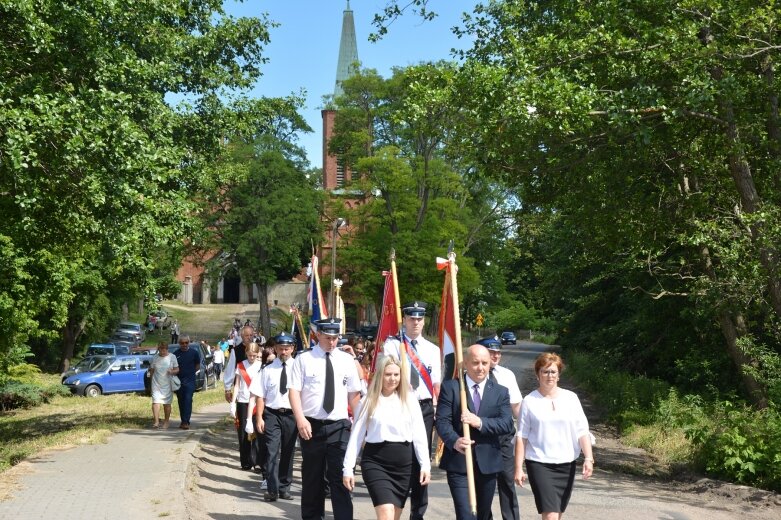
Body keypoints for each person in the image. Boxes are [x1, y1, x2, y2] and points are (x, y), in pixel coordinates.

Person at [289, 318, 362, 520]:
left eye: (335, 338)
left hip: (339, 427)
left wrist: (360, 425)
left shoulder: (347, 361)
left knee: (341, 476)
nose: (332, 342)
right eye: (328, 338)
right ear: (318, 335)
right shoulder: (304, 359)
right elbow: (294, 391)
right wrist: (300, 419)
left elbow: (354, 395)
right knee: (313, 478)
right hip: (311, 426)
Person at [343, 355, 431, 520]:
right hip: (376, 462)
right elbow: (356, 437)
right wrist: (348, 469)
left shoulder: (410, 399)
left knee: (394, 516)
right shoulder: (367, 401)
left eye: (396, 375)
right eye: (388, 374)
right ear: (380, 375)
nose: (392, 379)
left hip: (404, 465)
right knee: (386, 514)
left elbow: (419, 434)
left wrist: (425, 465)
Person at [436, 344, 515, 520]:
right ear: (465, 363)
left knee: (482, 515)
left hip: (488, 464)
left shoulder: (500, 392)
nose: (480, 368)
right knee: (466, 515)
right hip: (459, 463)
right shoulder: (452, 388)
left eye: (485, 363)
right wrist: (454, 440)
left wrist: (480, 422)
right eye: (475, 363)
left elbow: (506, 424)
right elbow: (442, 421)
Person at [514, 353, 594, 520]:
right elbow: (522, 436)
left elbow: (582, 431)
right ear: (538, 375)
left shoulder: (571, 398)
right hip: (539, 463)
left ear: (558, 375)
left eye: (553, 372)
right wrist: (518, 467)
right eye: (545, 372)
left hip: (566, 464)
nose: (549, 376)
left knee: (557, 513)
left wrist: (588, 458)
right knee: (550, 514)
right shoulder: (529, 401)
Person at [381, 301, 441, 520]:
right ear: (404, 320)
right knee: (402, 458)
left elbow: (436, 386)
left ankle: (418, 513)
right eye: (411, 318)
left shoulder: (433, 350)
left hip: (424, 408)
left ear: (423, 321)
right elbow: (387, 376)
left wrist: (439, 412)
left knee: (420, 458)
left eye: (419, 319)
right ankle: (395, 507)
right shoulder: (392, 346)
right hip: (399, 405)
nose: (415, 323)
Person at [478, 336, 523, 520]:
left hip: (504, 436)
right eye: (491, 352)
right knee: (484, 483)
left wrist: (530, 427)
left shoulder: (507, 375)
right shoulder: (471, 375)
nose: (496, 355)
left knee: (507, 480)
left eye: (498, 352)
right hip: (482, 436)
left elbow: (517, 407)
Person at [253, 334, 297, 502]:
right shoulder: (268, 369)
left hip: (292, 415)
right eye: (280, 348)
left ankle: (284, 487)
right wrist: (259, 418)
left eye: (287, 348)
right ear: (276, 349)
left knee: (288, 451)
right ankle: (272, 489)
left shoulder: (299, 368)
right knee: (272, 452)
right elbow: (260, 396)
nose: (284, 351)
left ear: (292, 348)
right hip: (272, 413)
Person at [231, 342, 263, 470]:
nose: (251, 358)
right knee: (243, 432)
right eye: (249, 355)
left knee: (257, 431)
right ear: (246, 354)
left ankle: (257, 461)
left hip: (257, 402)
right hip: (243, 401)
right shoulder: (241, 366)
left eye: (254, 356)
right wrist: (233, 403)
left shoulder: (261, 366)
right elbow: (237, 385)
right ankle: (245, 461)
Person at [148, 341, 179, 429]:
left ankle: (166, 421)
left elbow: (177, 369)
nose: (162, 352)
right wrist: (151, 384)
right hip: (156, 383)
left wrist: (172, 371)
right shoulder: (155, 358)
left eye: (164, 350)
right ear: (158, 349)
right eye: (160, 350)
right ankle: (156, 422)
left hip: (168, 384)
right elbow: (152, 371)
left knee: (167, 403)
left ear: (167, 349)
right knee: (155, 402)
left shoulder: (172, 357)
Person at [173, 335, 200, 430]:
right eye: (182, 343)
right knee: (181, 401)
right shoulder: (175, 354)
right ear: (179, 343)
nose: (184, 344)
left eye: (186, 343)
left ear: (189, 343)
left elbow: (197, 365)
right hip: (179, 382)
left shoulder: (194, 353)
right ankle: (183, 420)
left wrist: (191, 373)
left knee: (188, 400)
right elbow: (173, 367)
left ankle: (186, 422)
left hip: (190, 381)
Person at [224, 325, 254, 403]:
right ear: (242, 336)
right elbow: (230, 370)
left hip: (255, 389)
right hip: (241, 389)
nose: (249, 337)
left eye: (251, 335)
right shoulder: (235, 351)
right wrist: (227, 389)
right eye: (247, 335)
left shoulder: (259, 350)